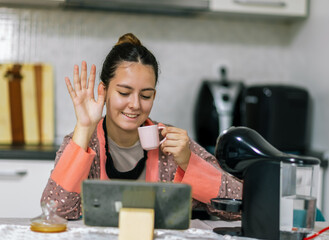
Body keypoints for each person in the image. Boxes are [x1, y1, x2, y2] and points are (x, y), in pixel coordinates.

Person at [41, 33, 243, 220]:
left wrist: (189, 163)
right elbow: (55, 211)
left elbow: (240, 206)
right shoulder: (82, 141)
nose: (135, 104)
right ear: (104, 91)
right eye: (124, 93)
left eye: (145, 95)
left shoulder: (171, 144)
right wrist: (84, 127)